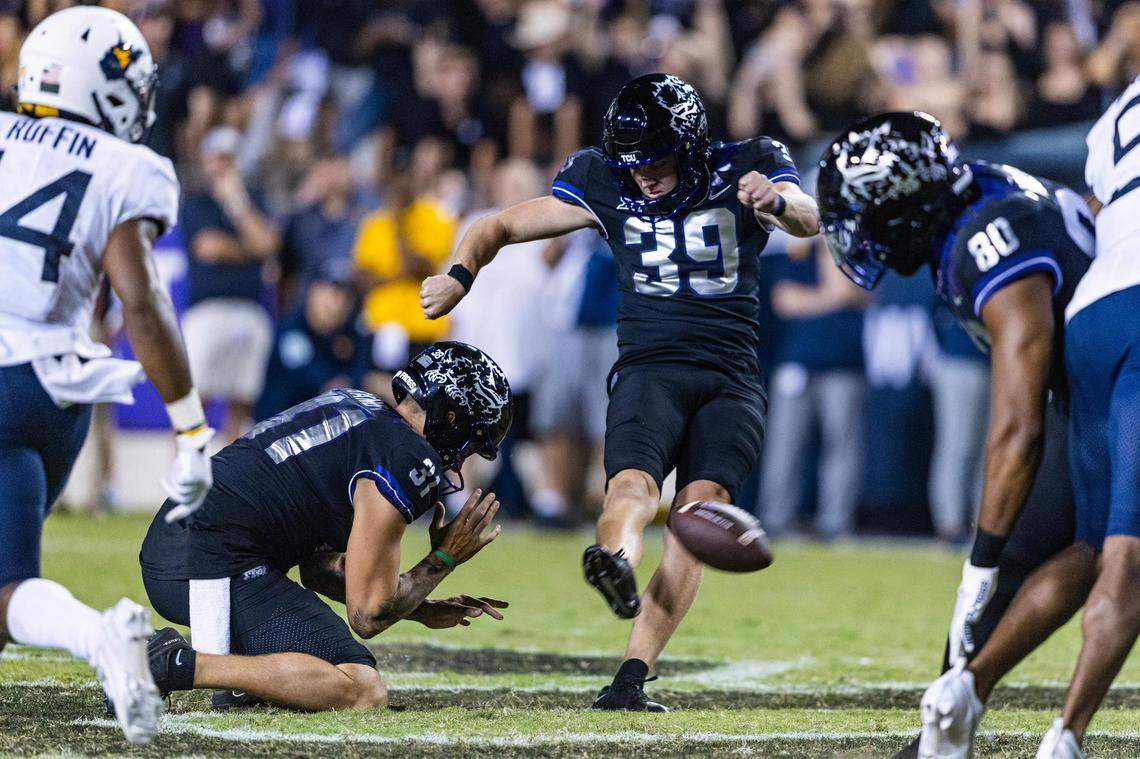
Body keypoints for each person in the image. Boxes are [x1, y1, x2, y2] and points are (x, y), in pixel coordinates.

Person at [420, 73, 819, 710]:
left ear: (689, 147)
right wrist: (460, 275)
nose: (644, 177)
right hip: (648, 368)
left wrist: (774, 203)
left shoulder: (750, 164)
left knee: (697, 513)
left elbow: (809, 219)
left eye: (657, 162)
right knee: (631, 488)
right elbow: (497, 226)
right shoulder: (603, 180)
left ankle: (631, 676)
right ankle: (616, 563)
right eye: (633, 165)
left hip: (730, 376)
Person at [816, 111, 1096, 758]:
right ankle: (946, 723)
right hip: (1091, 389)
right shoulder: (973, 196)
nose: (863, 234)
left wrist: (981, 553)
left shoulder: (985, 238)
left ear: (907, 206)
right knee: (1029, 555)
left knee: (1097, 552)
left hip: (1104, 387)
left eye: (870, 215)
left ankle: (1056, 733)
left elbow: (1018, 425)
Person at [0, 7, 215, 744]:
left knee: (4, 586)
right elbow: (142, 302)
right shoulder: (130, 167)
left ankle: (99, 636)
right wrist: (190, 423)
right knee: (4, 585)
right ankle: (97, 637)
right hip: (54, 394)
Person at [136, 342, 512, 711]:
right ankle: (171, 663)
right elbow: (367, 615)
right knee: (361, 688)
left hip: (178, 542)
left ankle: (231, 673)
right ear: (451, 417)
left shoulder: (357, 404)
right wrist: (443, 559)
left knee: (309, 671)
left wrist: (419, 608)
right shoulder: (408, 457)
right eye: (470, 441)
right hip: (210, 560)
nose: (461, 458)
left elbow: (320, 570)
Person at [1031, 73, 1140, 758]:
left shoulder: (1121, 105)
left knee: (1095, 544)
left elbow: (1096, 208)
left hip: (1092, 311)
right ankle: (1065, 737)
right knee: (1127, 559)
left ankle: (966, 684)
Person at [761, 238, 868, 540]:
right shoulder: (796, 253)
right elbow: (785, 301)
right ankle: (776, 518)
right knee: (785, 445)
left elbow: (851, 290)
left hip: (844, 363)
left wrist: (828, 255)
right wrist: (832, 297)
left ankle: (835, 521)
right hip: (797, 362)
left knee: (842, 445)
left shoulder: (853, 252)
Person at [180, 126, 280, 441]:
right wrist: (252, 253)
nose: (223, 165)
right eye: (217, 157)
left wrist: (237, 204)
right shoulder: (197, 202)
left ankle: (231, 476)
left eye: (229, 158)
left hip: (249, 309)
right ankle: (185, 473)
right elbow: (208, 248)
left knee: (242, 398)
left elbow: (268, 244)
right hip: (207, 309)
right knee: (194, 397)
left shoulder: (254, 200)